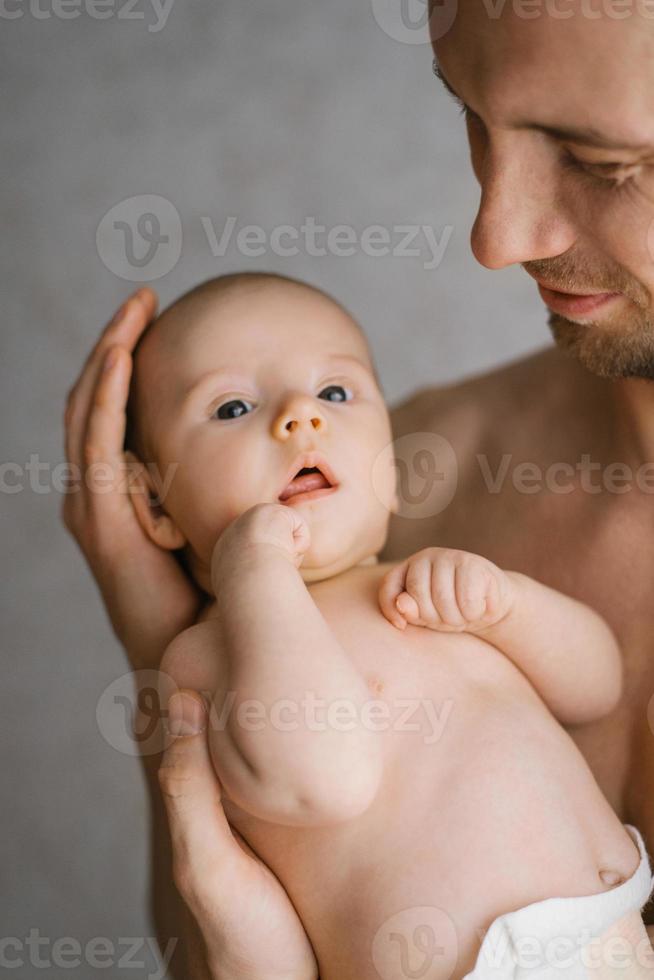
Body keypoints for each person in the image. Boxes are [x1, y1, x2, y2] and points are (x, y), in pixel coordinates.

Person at [61, 4, 654, 978]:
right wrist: (155, 630)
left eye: (601, 160)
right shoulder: (423, 468)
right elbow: (228, 939)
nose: (496, 235)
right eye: (471, 117)